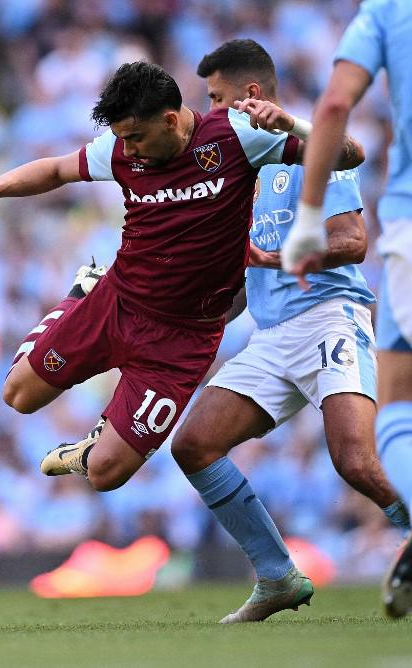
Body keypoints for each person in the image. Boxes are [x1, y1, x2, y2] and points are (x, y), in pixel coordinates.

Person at [0, 61, 363, 495]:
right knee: (18, 396)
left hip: (181, 340)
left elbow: (351, 153)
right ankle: (82, 291)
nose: (127, 151)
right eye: (121, 140)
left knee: (105, 474)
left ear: (170, 120)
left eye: (135, 138)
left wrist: (294, 125)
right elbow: (55, 169)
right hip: (118, 303)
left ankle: (93, 446)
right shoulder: (120, 148)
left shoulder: (238, 138)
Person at [170, 38, 410, 624]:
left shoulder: (309, 149)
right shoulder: (239, 172)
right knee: (194, 444)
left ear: (252, 96)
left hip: (331, 316)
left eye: (219, 98)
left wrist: (277, 259)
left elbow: (353, 240)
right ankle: (276, 576)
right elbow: (240, 284)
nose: (213, 111)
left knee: (355, 459)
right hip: (272, 335)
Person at [285, 0, 412, 619]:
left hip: (400, 243)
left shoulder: (386, 12)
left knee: (393, 423)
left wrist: (307, 223)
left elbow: (335, 109)